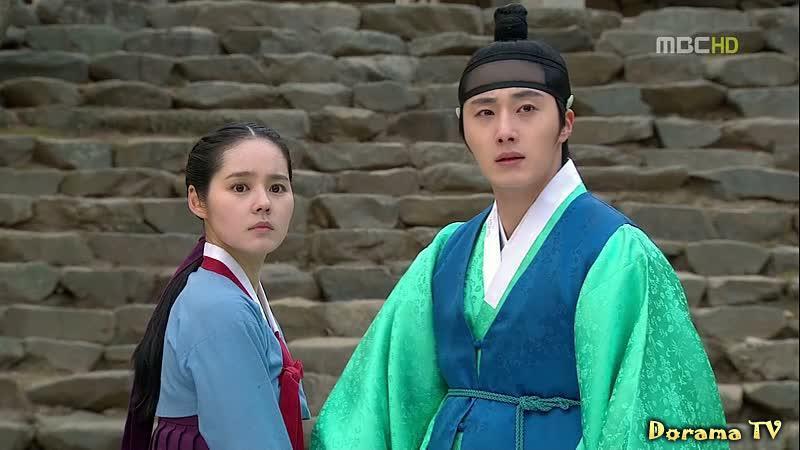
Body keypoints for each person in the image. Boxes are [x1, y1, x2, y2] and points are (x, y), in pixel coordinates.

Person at [311, 4, 727, 450]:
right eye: (484, 113)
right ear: (463, 129)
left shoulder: (615, 252)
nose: (505, 131)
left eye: (527, 108)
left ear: (565, 123)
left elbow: (650, 415)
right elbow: (377, 402)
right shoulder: (447, 253)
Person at [121, 123, 309, 450]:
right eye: (240, 187)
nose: (264, 202)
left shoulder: (227, 292)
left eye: (277, 187)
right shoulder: (219, 307)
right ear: (197, 201)